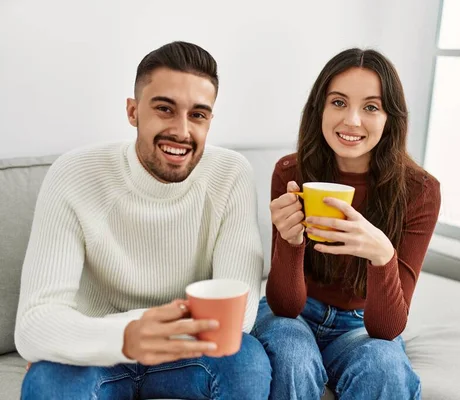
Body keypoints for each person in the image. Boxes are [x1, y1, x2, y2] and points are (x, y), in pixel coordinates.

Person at [15, 41, 271, 399]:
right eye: (165, 109)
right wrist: (125, 337)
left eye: (198, 114)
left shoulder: (230, 175)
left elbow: (237, 317)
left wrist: (90, 334)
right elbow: (33, 324)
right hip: (99, 352)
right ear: (133, 111)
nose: (182, 131)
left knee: (247, 361)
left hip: (186, 352)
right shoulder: (73, 174)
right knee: (46, 381)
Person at [252, 48, 441, 400]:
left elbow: (386, 329)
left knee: (385, 369)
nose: (352, 120)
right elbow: (285, 305)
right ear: (319, 109)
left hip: (362, 325)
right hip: (297, 314)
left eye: (371, 107)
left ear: (390, 118)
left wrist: (383, 256)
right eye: (338, 102)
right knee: (292, 358)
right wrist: (291, 242)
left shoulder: (421, 191)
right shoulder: (291, 172)